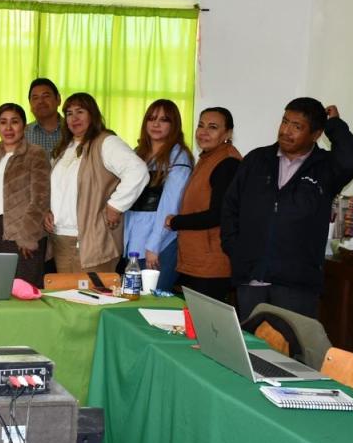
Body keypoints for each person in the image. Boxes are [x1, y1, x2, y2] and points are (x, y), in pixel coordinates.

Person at [221, 98, 353, 319]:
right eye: (284, 122)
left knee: (289, 350)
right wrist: (235, 248)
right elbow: (230, 206)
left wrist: (335, 125)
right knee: (250, 348)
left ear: (316, 134)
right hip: (251, 277)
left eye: (297, 126)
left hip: (296, 285)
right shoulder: (257, 160)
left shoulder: (326, 168)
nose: (286, 131)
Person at [45, 93, 149, 273]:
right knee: (67, 299)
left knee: (92, 299)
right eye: (69, 113)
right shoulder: (65, 147)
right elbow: (60, 189)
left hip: (93, 241)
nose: (74, 118)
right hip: (61, 238)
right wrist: (47, 211)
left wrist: (116, 206)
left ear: (92, 114)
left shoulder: (106, 142)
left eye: (80, 111)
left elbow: (138, 171)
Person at [165, 107, 242, 301]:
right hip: (196, 259)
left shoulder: (227, 163)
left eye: (213, 127)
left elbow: (217, 215)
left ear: (227, 133)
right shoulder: (208, 158)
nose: (204, 132)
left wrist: (176, 222)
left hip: (211, 264)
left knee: (205, 327)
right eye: (201, 125)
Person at [0, 103, 50, 286]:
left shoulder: (35, 154)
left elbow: (40, 198)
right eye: (3, 122)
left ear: (24, 126)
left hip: (24, 235)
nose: (8, 128)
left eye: (14, 122)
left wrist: (28, 236)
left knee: (24, 290)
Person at [124, 99, 194, 292]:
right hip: (134, 244)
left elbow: (171, 205)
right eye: (152, 118)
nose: (156, 124)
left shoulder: (178, 156)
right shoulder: (137, 154)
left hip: (159, 246)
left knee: (152, 304)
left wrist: (154, 246)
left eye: (164, 120)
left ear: (174, 125)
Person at [25, 78, 63, 155]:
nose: (40, 101)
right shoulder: (22, 135)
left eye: (46, 96)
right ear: (30, 104)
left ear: (58, 99)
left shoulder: (74, 131)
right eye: (35, 98)